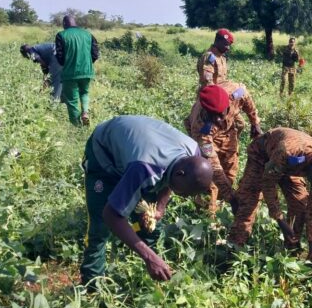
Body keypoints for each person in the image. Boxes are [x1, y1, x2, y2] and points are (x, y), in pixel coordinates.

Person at [80, 116, 213, 288]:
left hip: (138, 153)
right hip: (105, 154)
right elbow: (111, 215)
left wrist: (160, 207)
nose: (184, 197)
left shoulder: (193, 152)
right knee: (100, 227)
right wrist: (149, 257)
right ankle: (92, 285)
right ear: (180, 174)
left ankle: (147, 275)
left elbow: (171, 177)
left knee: (150, 225)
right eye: (185, 192)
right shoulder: (145, 168)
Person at [230, 128, 312, 262]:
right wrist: (280, 219)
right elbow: (268, 183)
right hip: (262, 155)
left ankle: (291, 250)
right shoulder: (288, 151)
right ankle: (235, 249)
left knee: (299, 205)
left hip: (291, 167)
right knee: (249, 201)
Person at [185, 84, 262, 213]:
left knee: (230, 170)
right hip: (208, 136)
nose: (218, 119)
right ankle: (207, 214)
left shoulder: (236, 93)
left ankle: (222, 202)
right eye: (213, 116)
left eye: (221, 114)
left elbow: (247, 97)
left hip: (227, 131)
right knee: (209, 177)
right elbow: (213, 165)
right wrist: (231, 198)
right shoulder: (201, 128)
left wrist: (255, 122)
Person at [55, 15, 99, 126]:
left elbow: (60, 57)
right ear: (75, 23)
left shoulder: (61, 35)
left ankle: (77, 126)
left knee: (72, 100)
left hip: (70, 73)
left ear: (64, 24)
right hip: (87, 72)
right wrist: (87, 64)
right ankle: (85, 112)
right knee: (84, 93)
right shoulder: (88, 34)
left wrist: (65, 64)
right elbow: (95, 54)